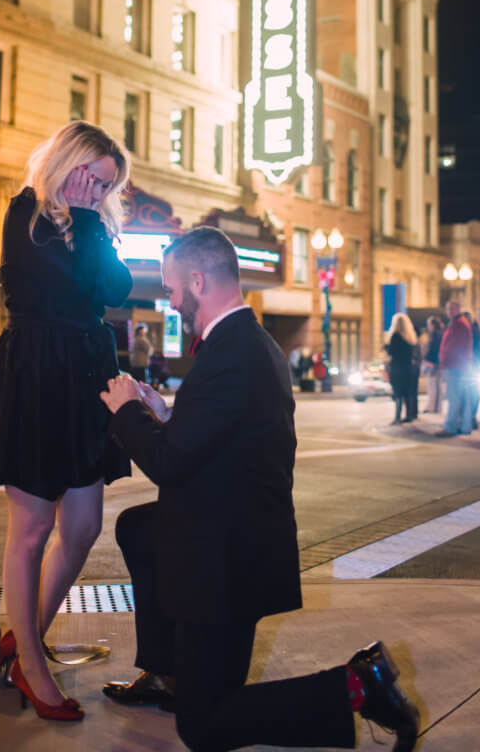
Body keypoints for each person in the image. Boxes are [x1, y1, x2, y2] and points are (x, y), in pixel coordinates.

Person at [99, 227, 420, 752]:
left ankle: (358, 686)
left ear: (198, 281)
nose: (170, 300)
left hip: (224, 562)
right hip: (233, 539)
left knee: (203, 726)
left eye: (173, 289)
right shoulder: (247, 342)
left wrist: (128, 412)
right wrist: (165, 412)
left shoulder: (231, 354)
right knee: (139, 528)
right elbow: (219, 432)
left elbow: (170, 461)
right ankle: (167, 671)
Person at [0, 121, 132, 721]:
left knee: (84, 524)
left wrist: (92, 219)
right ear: (71, 163)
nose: (99, 191)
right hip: (36, 373)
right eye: (95, 178)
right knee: (33, 528)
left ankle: (24, 640)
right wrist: (84, 222)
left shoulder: (94, 225)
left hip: (85, 376)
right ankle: (31, 665)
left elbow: (116, 289)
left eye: (109, 185)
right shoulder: (25, 213)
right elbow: (57, 287)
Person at [438, 300, 473, 435]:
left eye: (451, 309)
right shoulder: (461, 323)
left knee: (454, 397)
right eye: (447, 309)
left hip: (455, 366)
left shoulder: (458, 324)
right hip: (460, 365)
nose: (449, 312)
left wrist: (444, 361)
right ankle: (464, 426)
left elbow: (453, 347)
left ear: (457, 309)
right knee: (462, 398)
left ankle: (450, 427)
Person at [384, 312, 418, 424]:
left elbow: (391, 352)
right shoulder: (410, 337)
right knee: (407, 393)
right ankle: (409, 415)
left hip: (397, 368)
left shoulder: (395, 336)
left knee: (398, 393)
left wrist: (386, 348)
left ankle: (397, 417)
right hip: (408, 368)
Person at [421, 316, 443, 413]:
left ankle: (432, 407)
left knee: (432, 386)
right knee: (437, 386)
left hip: (433, 364)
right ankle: (437, 407)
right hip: (438, 363)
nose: (428, 326)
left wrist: (428, 360)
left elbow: (433, 350)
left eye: (429, 324)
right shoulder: (441, 334)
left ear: (433, 325)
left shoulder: (434, 335)